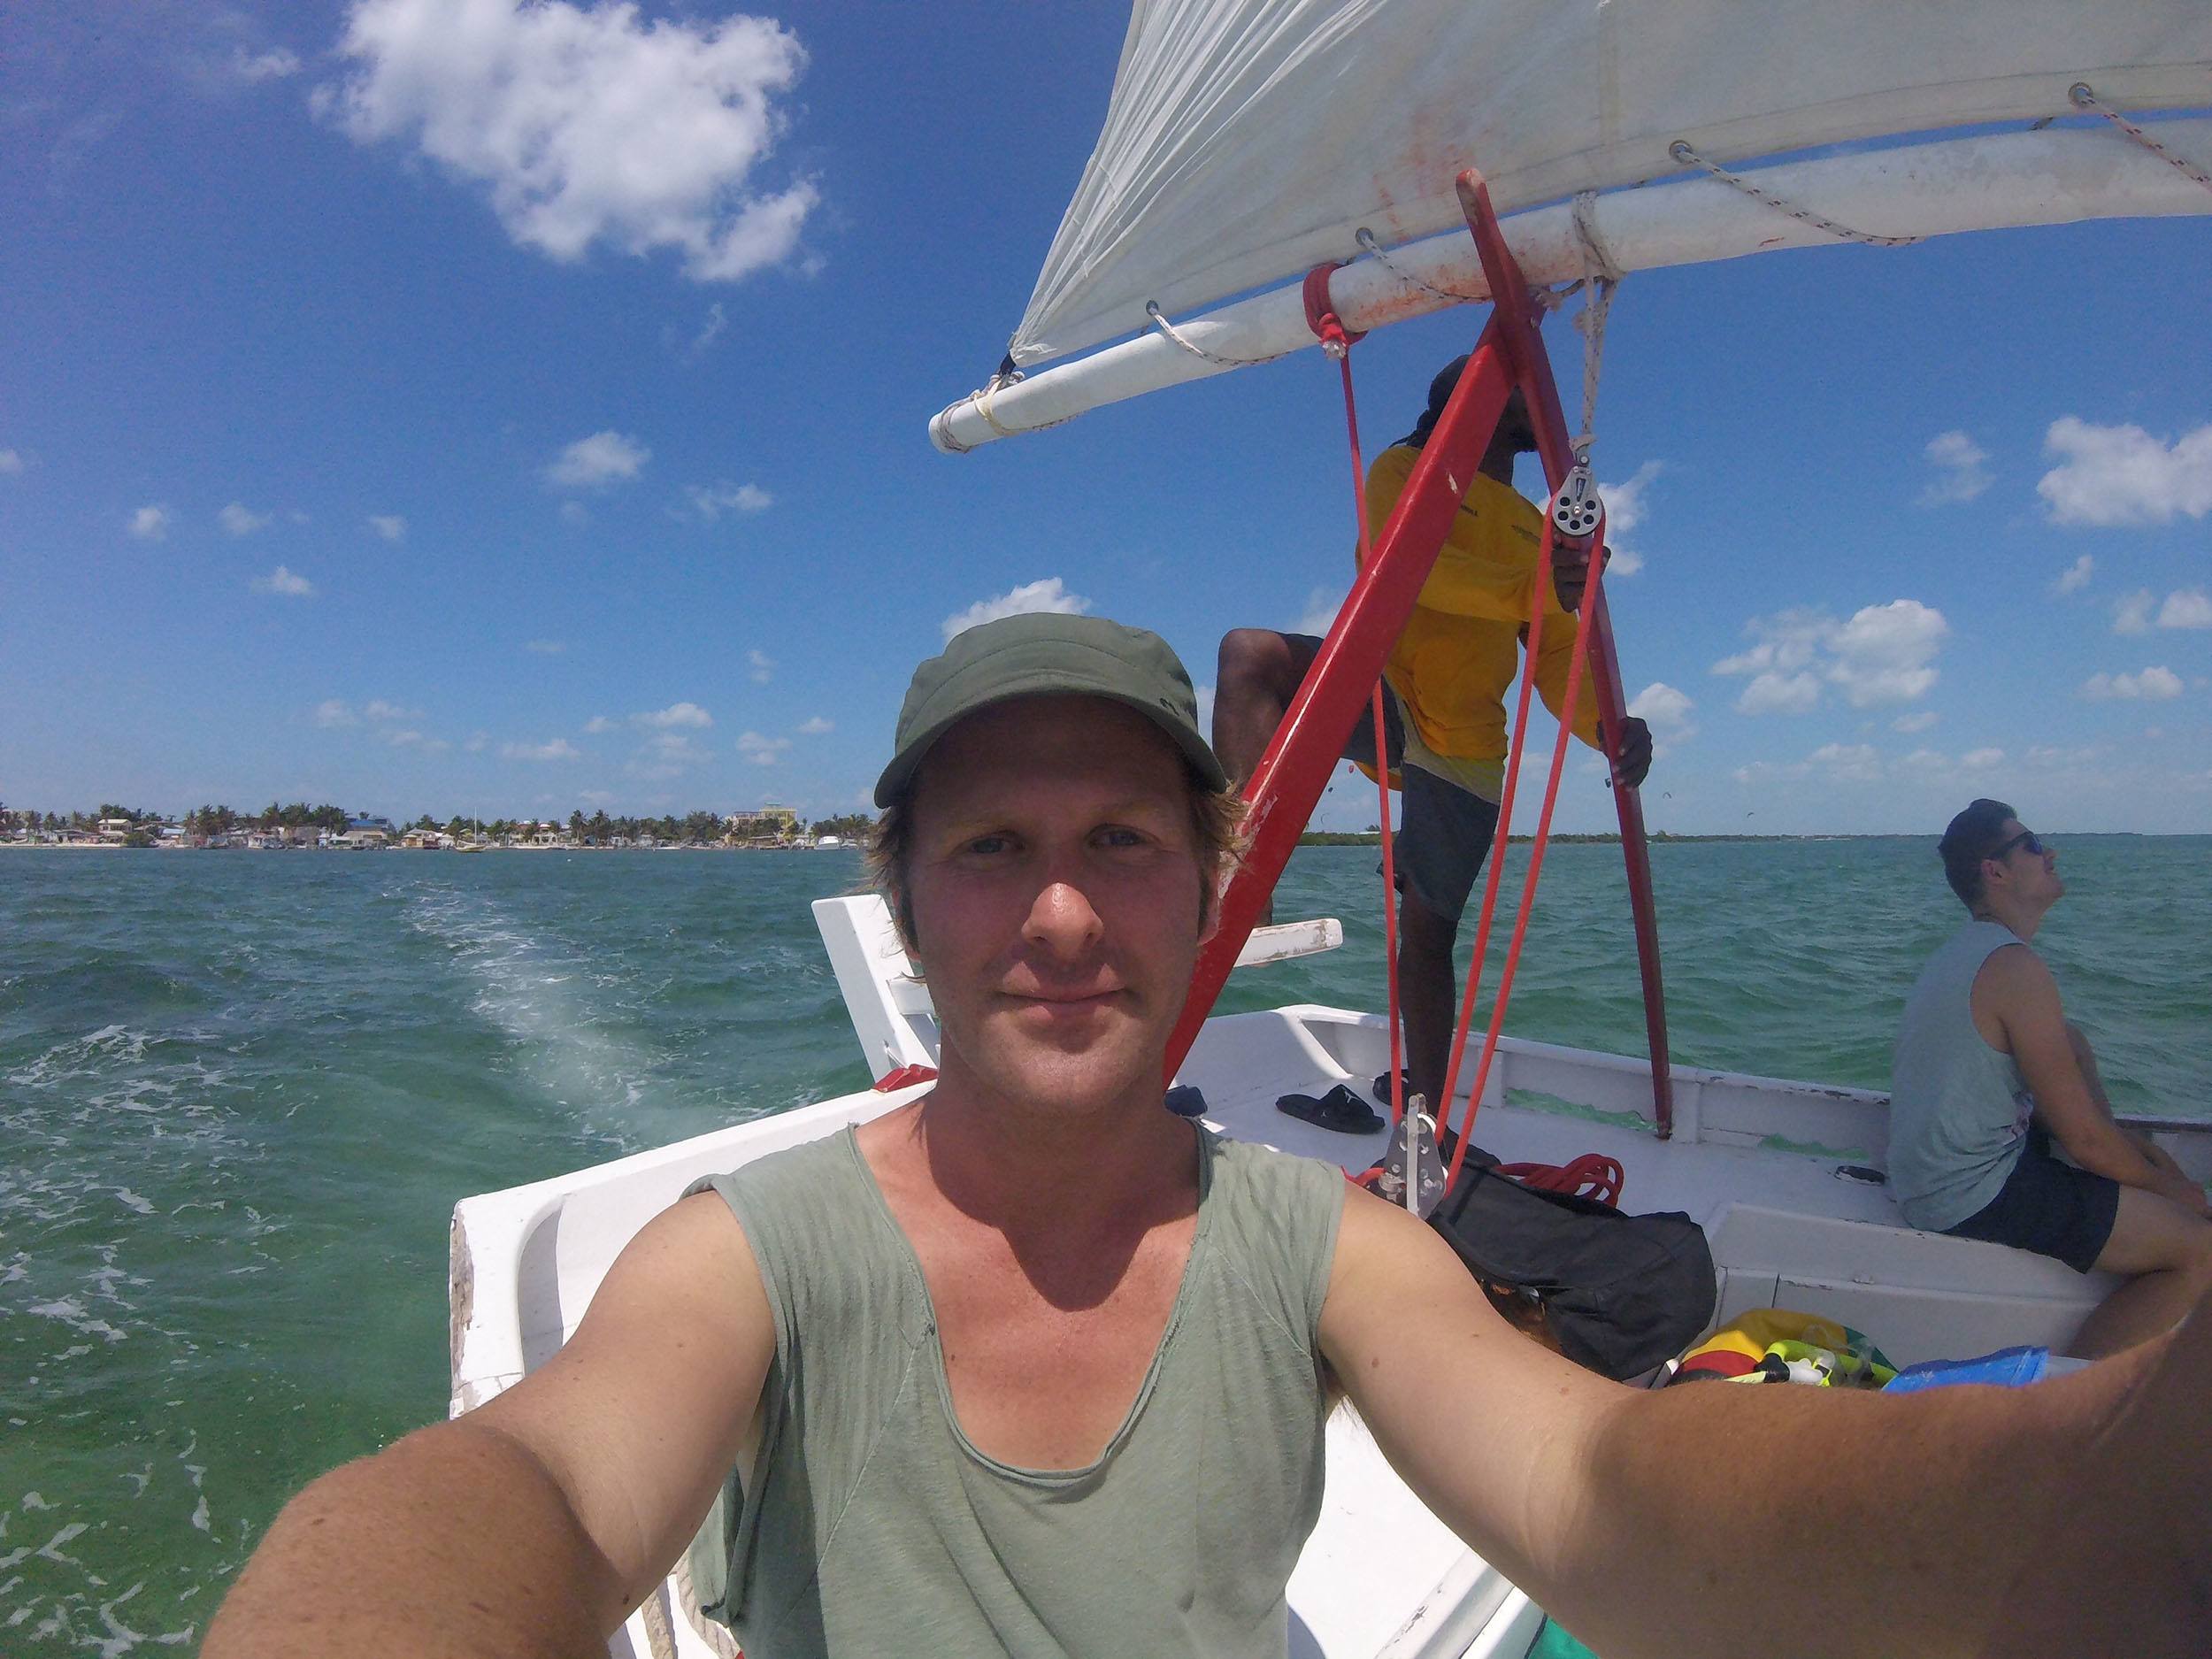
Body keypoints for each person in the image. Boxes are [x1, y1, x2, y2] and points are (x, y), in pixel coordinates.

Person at [206, 618, 2207, 1658]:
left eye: (1124, 840)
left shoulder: (1317, 1248)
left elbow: (1603, 1476)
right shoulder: (752, 1254)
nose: (1063, 909)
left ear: (1208, 878)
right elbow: (527, 1490)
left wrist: (2111, 1479)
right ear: (903, 892)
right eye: (993, 844)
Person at [1214, 364, 1652, 1118]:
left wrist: (1607, 728)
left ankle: (1425, 1100)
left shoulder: (1530, 525)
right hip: (1381, 694)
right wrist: (1540, 586)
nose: (1533, 399)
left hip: (1464, 737)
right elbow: (1413, 573)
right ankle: (1242, 876)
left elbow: (1552, 654)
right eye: (1514, 390)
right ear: (1469, 409)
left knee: (1428, 934)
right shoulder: (1403, 472)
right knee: (1250, 653)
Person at [1888, 798, 2212, 1358]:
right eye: (2033, 845)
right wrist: (2172, 1192)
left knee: (2074, 1041)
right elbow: (2086, 1142)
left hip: (1940, 1173)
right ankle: (2071, 1393)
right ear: (1997, 870)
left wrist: (2134, 1164)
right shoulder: (2014, 967)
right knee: (2201, 1251)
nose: (2051, 852)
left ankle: (2126, 1179)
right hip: (1969, 1193)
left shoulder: (1967, 952)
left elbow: (2081, 1116)